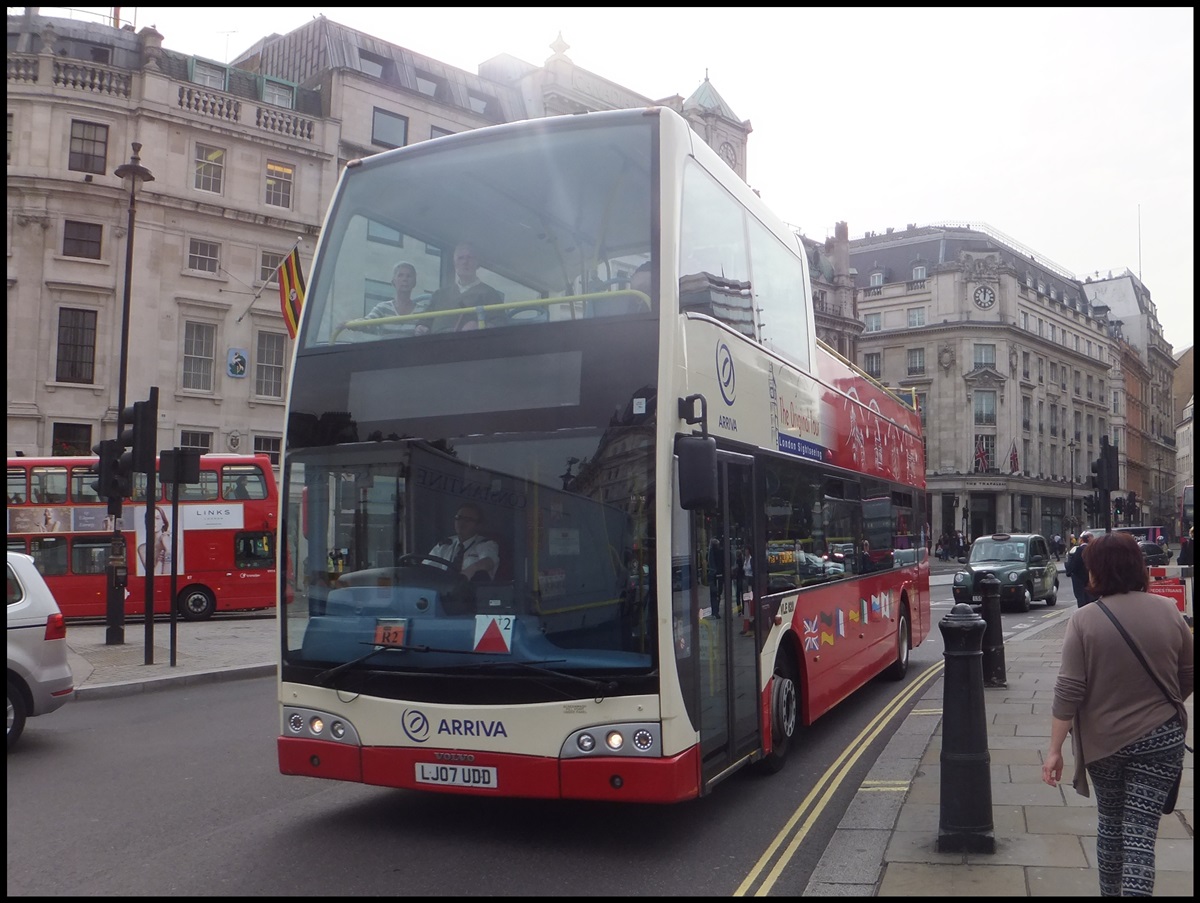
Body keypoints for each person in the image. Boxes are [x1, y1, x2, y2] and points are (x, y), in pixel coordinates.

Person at [1041, 530, 1193, 897]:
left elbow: (1069, 690)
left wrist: (1055, 749)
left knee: (1110, 825)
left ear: (1097, 572)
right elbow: (1188, 673)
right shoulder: (1168, 611)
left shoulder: (1084, 621)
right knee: (1141, 835)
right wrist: (1168, 702)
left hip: (1104, 744)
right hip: (1161, 740)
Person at [338, 261, 431, 336]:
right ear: (393, 282)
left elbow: (428, 330)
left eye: (409, 276)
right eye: (400, 275)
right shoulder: (383, 308)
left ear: (414, 282)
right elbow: (368, 322)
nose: (405, 279)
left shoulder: (422, 311)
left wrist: (423, 330)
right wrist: (351, 324)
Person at [429, 243, 503, 332]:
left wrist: (480, 326)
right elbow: (425, 320)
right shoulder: (439, 294)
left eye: (470, 257)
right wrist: (421, 326)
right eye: (460, 258)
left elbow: (500, 323)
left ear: (477, 263)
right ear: (454, 263)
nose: (465, 262)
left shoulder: (490, 293)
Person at [428, 502, 498, 582]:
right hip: (442, 589)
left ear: (478, 525)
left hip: (471, 591)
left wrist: (471, 570)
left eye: (468, 520)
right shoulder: (445, 545)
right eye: (459, 518)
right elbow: (426, 568)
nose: (461, 522)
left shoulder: (486, 544)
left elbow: (488, 562)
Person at [1064, 529, 1095, 607]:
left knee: (1081, 598)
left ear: (1082, 540)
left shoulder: (1079, 550)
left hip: (1080, 579)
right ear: (1089, 539)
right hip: (1091, 579)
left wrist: (1069, 571)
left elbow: (1074, 564)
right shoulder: (1093, 549)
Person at [707, 536, 724, 619]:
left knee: (713, 594)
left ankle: (714, 611)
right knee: (717, 593)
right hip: (717, 575)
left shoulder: (710, 553)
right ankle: (715, 611)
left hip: (712, 575)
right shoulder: (718, 553)